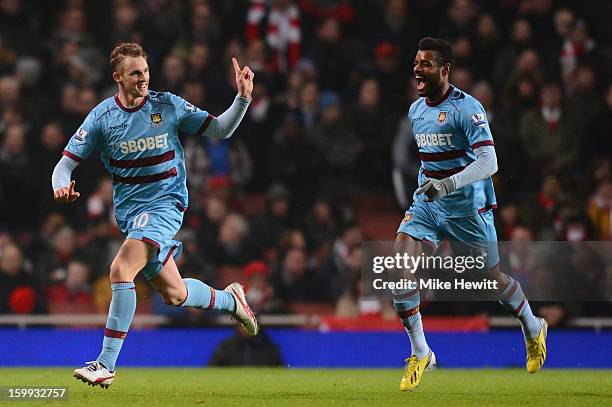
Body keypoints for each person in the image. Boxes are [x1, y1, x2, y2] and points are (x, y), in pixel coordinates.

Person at [51, 43, 258, 389]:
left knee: (120, 269)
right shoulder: (102, 118)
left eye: (146, 71)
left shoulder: (169, 105)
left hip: (166, 203)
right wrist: (60, 187)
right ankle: (231, 300)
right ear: (118, 77)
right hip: (132, 215)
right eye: (135, 73)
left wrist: (242, 98)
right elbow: (65, 165)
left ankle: (105, 364)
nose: (144, 78)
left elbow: (221, 130)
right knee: (174, 294)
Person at [392, 38, 547, 391]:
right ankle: (421, 353)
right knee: (399, 267)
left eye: (426, 64)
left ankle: (533, 325)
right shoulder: (416, 111)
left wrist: (446, 185)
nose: (417, 68)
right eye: (416, 62)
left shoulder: (468, 109)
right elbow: (431, 160)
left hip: (466, 211)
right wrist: (431, 189)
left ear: (445, 70)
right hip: (428, 205)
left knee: (490, 279)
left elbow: (489, 162)